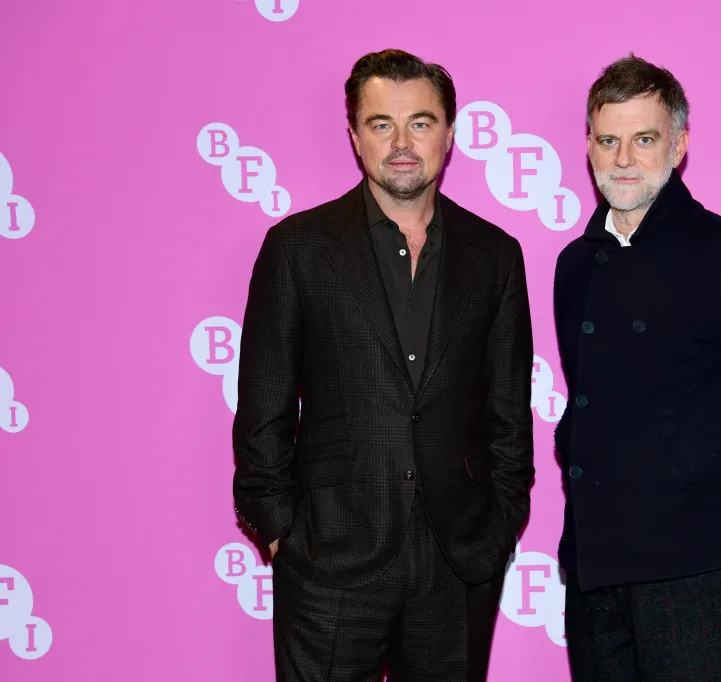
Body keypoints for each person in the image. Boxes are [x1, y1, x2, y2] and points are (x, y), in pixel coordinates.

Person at [231, 48, 535, 681]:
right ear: (354, 135)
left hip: (457, 564)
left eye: (420, 122)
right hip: (330, 561)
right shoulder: (298, 249)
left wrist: (500, 522)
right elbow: (264, 407)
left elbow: (508, 414)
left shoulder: (496, 256)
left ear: (449, 134)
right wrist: (284, 532)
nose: (402, 142)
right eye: (381, 124)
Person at [552, 54, 721, 681]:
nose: (623, 159)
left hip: (695, 567)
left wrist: (719, 472)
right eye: (608, 140)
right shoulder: (574, 265)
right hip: (595, 565)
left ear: (678, 147)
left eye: (643, 139)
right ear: (590, 146)